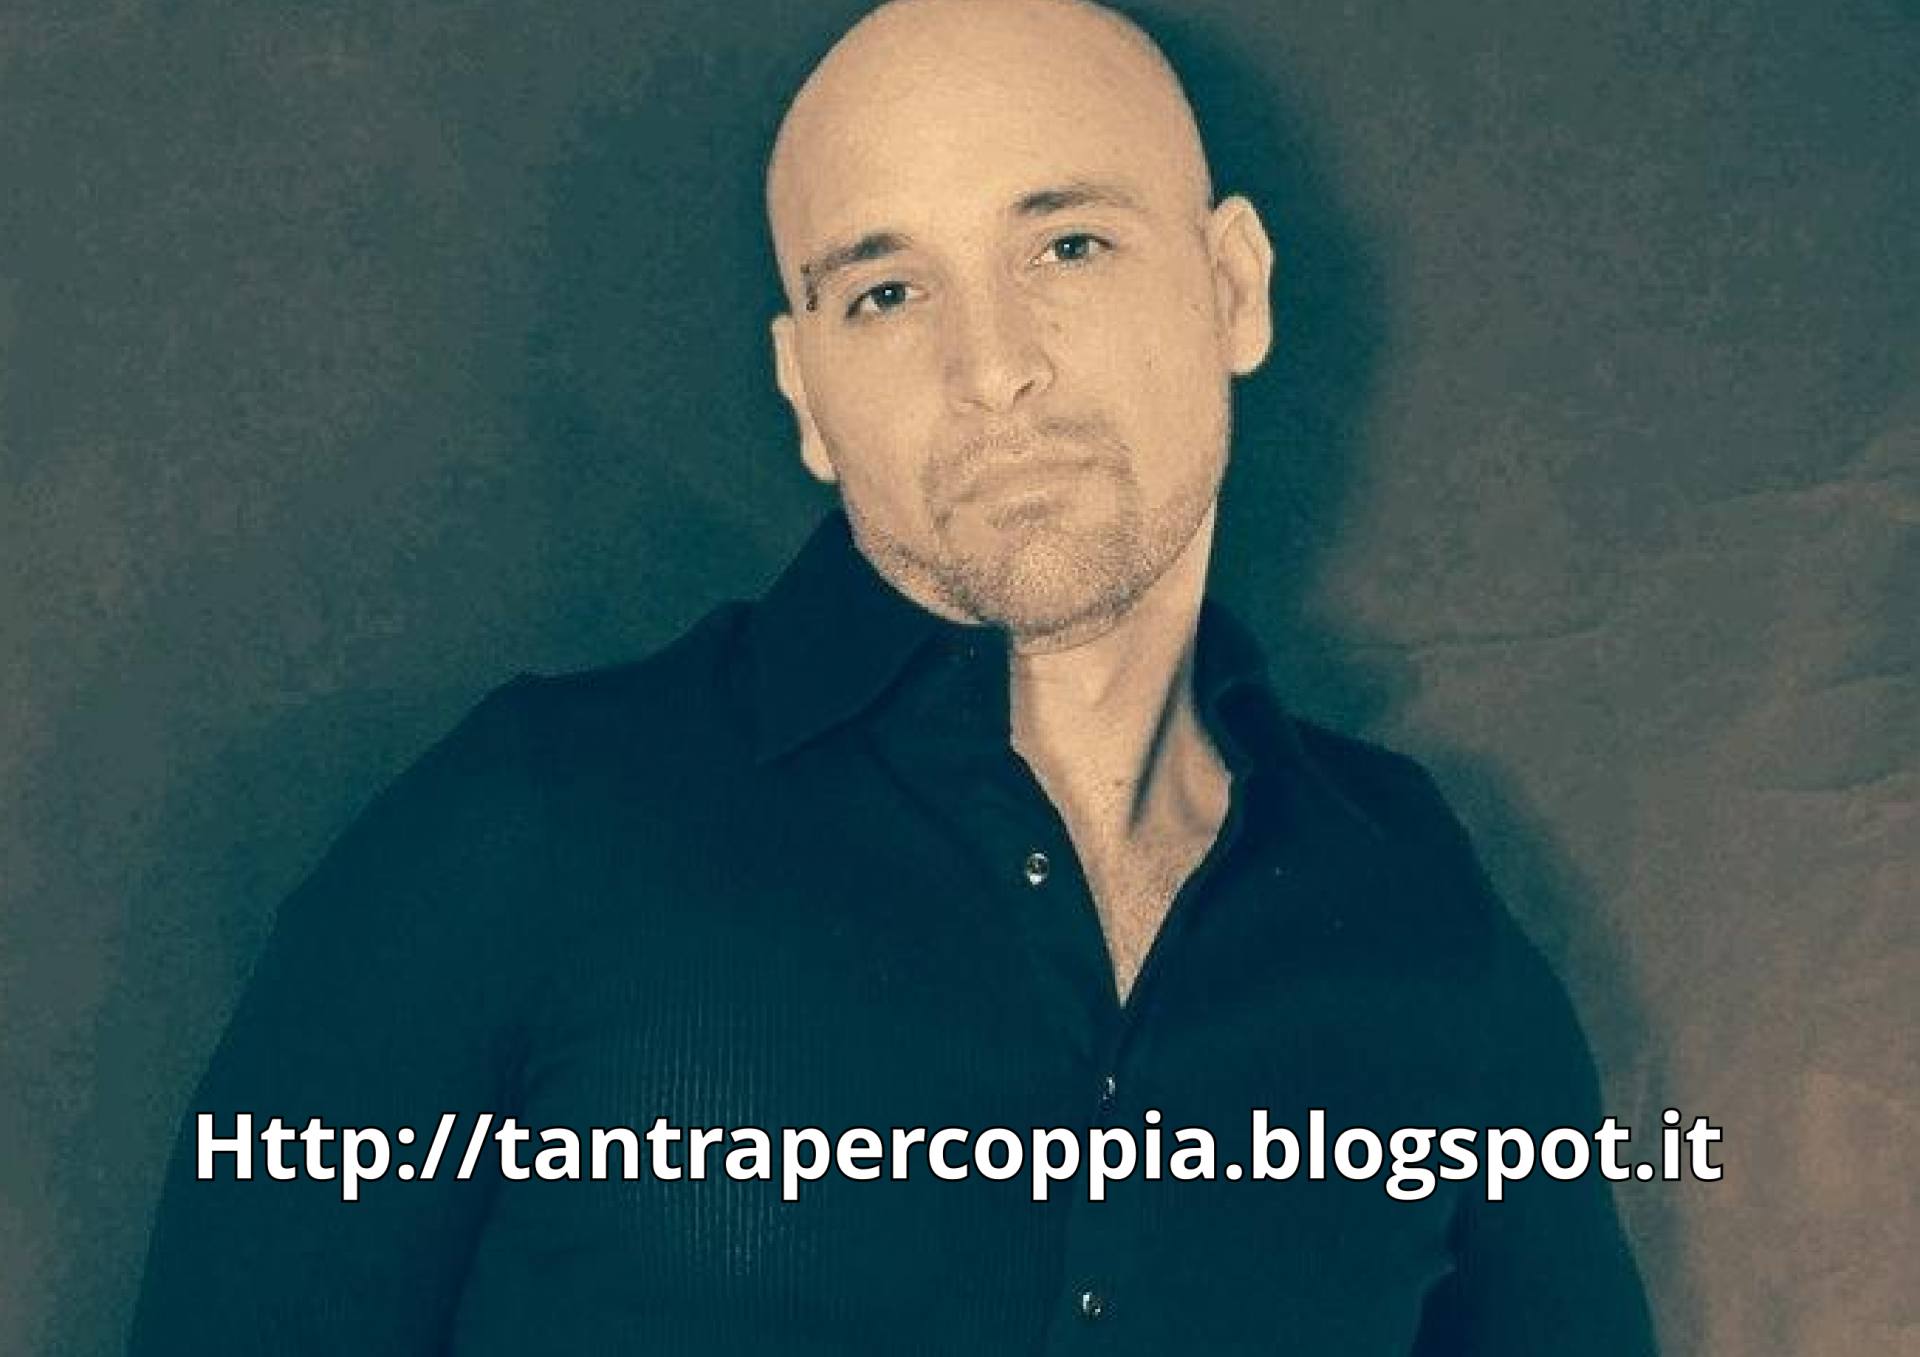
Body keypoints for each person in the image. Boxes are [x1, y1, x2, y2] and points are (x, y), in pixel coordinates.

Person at [130, 0, 1657, 1352]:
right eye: (886, 291)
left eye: (1068, 244)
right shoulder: (529, 827)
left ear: (1233, 288)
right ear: (807, 391)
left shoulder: (1418, 909)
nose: (993, 366)